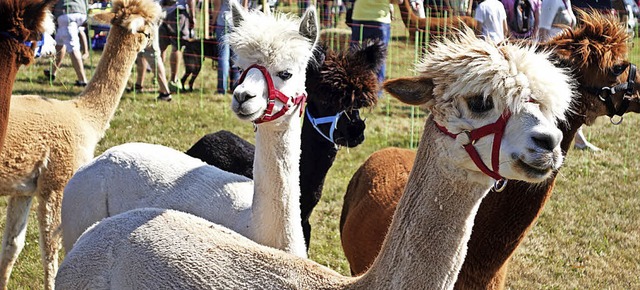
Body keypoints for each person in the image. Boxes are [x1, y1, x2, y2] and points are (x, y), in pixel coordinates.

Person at [538, 0, 598, 151]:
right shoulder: (550, 2)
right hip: (553, 57)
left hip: (565, 58)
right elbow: (543, 31)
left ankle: (578, 139)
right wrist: (544, 60)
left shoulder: (567, 2)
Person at [350, 0, 404, 88]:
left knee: (355, 55)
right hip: (380, 18)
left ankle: (353, 85)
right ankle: (376, 89)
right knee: (379, 57)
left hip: (360, 16)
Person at [130, 6, 174, 102]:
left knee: (152, 53)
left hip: (148, 15)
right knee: (141, 52)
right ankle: (138, 84)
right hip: (143, 14)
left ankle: (165, 92)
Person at [45, 0, 89, 87]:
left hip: (66, 13)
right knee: (59, 44)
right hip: (81, 11)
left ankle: (82, 80)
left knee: (73, 48)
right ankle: (52, 72)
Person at [159, 0, 197, 89]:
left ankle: (159, 77)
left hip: (162, 11)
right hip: (177, 12)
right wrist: (192, 16)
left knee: (161, 47)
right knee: (177, 47)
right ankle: (173, 80)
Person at [211, 0, 242, 94]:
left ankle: (221, 88)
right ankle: (236, 86)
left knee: (223, 58)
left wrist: (212, 22)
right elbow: (244, 7)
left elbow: (217, 7)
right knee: (236, 57)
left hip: (222, 21)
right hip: (238, 23)